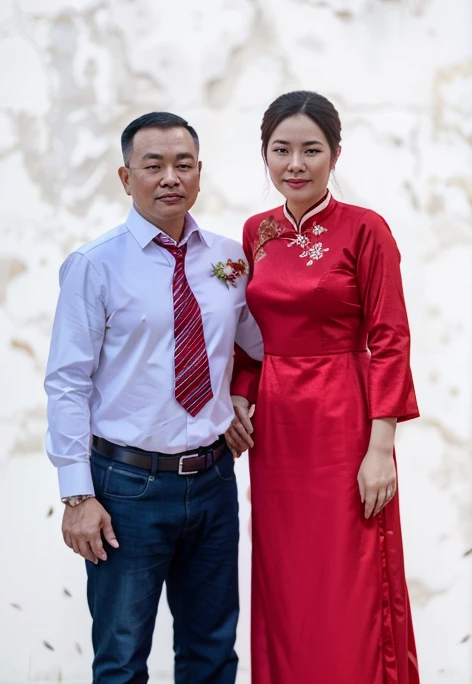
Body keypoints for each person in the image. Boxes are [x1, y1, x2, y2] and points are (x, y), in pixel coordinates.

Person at [44, 111, 263, 684]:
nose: (170, 176)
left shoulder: (229, 261)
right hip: (126, 490)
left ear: (198, 174)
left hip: (214, 482)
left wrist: (242, 396)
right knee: (120, 660)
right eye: (154, 165)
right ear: (125, 177)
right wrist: (76, 496)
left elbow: (262, 348)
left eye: (183, 164)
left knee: (212, 653)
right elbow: (67, 382)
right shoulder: (94, 265)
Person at [227, 91, 421, 684]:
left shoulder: (366, 230)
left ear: (335, 154)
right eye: (281, 150)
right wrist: (240, 390)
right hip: (279, 434)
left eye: (311, 150)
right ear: (265, 156)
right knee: (288, 578)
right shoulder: (255, 232)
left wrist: (380, 447)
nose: (296, 164)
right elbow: (249, 335)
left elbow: (390, 336)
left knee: (350, 575)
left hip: (345, 421)